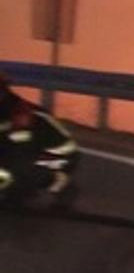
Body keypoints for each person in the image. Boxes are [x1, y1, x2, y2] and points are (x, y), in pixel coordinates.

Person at [0, 71, 81, 211]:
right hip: (27, 152)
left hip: (58, 156)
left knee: (15, 170)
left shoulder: (20, 114)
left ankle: (62, 186)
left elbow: (19, 155)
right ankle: (18, 190)